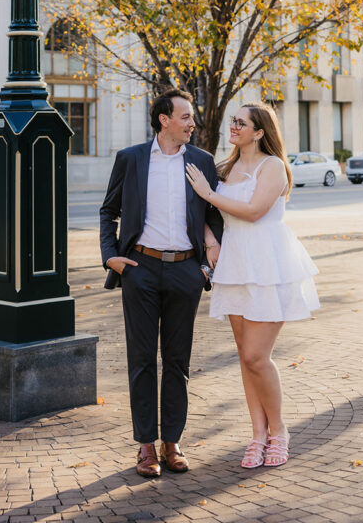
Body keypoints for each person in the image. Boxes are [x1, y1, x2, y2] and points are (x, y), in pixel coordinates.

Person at [186, 102, 319, 469]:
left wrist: (208, 194)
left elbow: (256, 210)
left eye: (241, 123)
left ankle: (279, 431)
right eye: (233, 121)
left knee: (257, 356)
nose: (234, 127)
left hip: (268, 263)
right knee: (245, 358)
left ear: (259, 131)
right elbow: (200, 213)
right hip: (235, 262)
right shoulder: (224, 168)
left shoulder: (272, 166)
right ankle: (257, 435)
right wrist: (210, 240)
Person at [99, 89, 223, 478]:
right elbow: (109, 211)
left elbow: (214, 215)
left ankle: (172, 442)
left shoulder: (202, 161)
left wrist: (205, 268)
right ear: (163, 120)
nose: (192, 123)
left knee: (177, 361)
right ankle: (146, 447)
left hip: (186, 272)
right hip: (141, 269)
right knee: (140, 361)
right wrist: (111, 257)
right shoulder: (131, 159)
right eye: (185, 117)